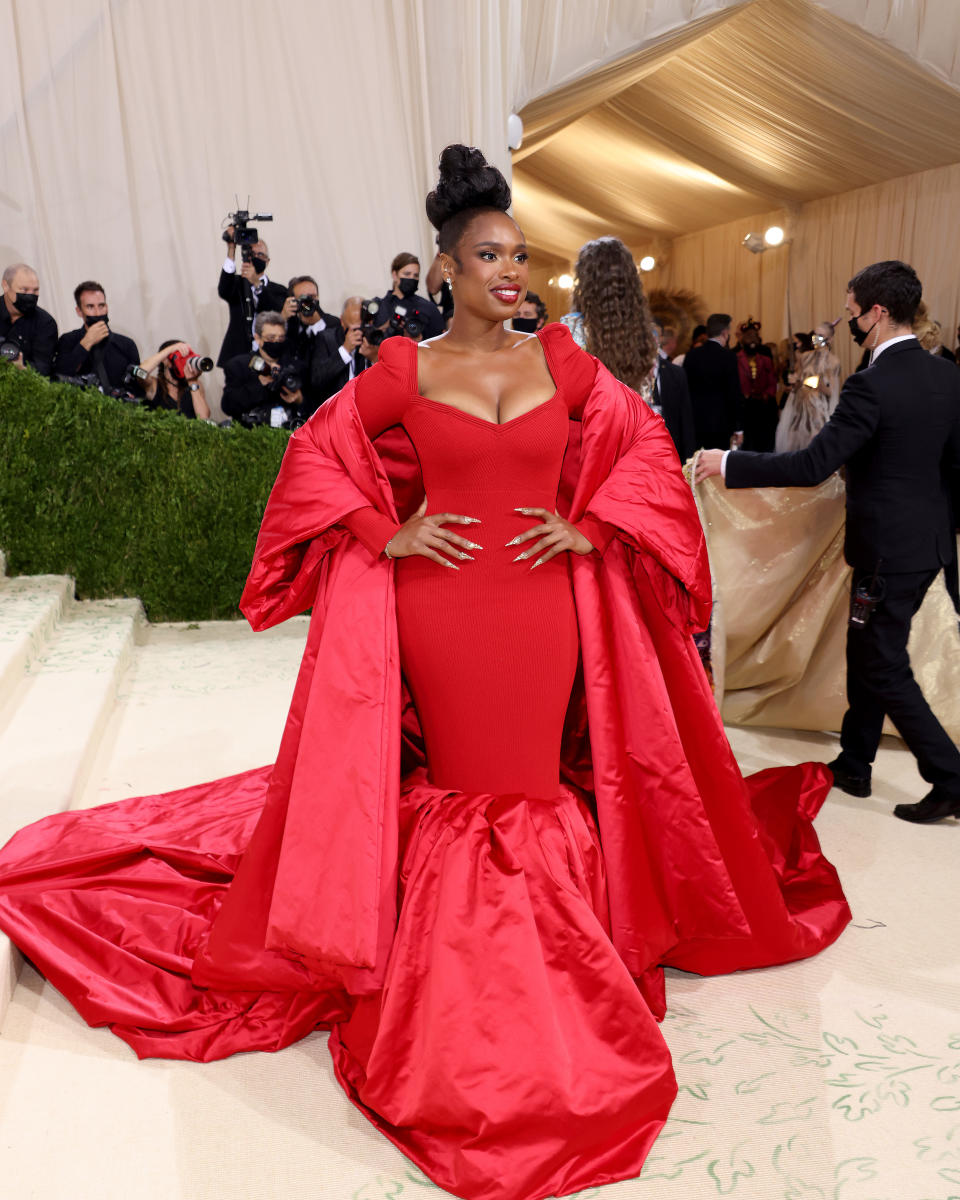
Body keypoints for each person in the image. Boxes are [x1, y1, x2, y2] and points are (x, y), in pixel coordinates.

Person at [0, 145, 850, 1200]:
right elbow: (314, 453)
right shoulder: (405, 369)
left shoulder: (563, 364)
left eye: (521, 255)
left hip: (542, 612)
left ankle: (543, 979)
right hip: (439, 612)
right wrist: (379, 529)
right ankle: (468, 1000)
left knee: (534, 792)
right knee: (466, 793)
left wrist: (590, 526)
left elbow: (641, 443)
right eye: (490, 255)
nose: (512, 273)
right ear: (445, 268)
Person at [697, 259, 960, 825]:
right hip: (928, 545)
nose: (849, 324)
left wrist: (729, 463)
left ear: (878, 313)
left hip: (887, 550)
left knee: (882, 663)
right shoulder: (947, 376)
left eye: (852, 315)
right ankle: (856, 763)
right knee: (867, 652)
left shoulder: (873, 383)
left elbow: (814, 463)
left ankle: (951, 776)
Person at [216, 226, 288, 367]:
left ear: (267, 261)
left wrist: (256, 283)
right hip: (238, 352)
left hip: (270, 354)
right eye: (252, 254)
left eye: (260, 255)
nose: (255, 258)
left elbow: (276, 312)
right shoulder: (237, 284)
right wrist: (231, 250)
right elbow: (224, 290)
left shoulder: (279, 290)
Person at [221, 311, 304, 427]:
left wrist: (299, 399)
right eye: (271, 338)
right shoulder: (239, 365)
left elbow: (313, 404)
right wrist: (260, 383)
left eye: (280, 338)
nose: (276, 342)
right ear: (258, 338)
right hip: (252, 434)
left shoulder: (294, 366)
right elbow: (228, 406)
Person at [52, 281, 139, 389]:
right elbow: (60, 377)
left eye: (101, 306)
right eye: (90, 307)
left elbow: (137, 384)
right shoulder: (68, 340)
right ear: (79, 311)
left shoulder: (126, 344)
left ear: (107, 307)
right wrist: (86, 343)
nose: (98, 313)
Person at [302, 295, 376, 416]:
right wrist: (345, 350)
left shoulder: (374, 338)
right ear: (342, 321)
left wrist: (373, 357)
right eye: (354, 328)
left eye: (363, 327)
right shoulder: (326, 339)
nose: (359, 333)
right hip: (334, 413)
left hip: (366, 413)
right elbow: (317, 380)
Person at [775, 321, 841, 452]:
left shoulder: (833, 362)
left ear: (830, 339)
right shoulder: (805, 356)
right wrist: (794, 381)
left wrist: (817, 383)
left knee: (814, 449)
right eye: (815, 334)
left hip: (818, 411)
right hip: (799, 408)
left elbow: (831, 392)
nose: (816, 338)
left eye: (821, 335)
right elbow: (797, 384)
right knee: (794, 447)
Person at [682, 312, 743, 449]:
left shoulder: (692, 355)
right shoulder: (729, 357)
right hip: (721, 424)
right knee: (716, 466)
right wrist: (738, 427)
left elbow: (685, 389)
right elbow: (734, 394)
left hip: (695, 422)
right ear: (725, 332)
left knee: (695, 464)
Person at [0, 262, 58, 376]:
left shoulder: (46, 323)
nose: (31, 295)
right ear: (5, 286)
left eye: (35, 290)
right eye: (24, 290)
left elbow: (43, 369)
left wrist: (22, 369)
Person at [652, 320, 696, 461]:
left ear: (660, 339)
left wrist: (689, 460)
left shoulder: (676, 373)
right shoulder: (628, 373)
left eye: (656, 335)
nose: (651, 339)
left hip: (670, 452)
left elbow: (685, 418)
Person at [375, 251, 445, 340]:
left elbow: (440, 340)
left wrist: (420, 342)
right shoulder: (380, 307)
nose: (411, 278)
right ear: (395, 275)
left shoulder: (428, 308)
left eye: (416, 275)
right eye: (407, 274)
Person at [137, 339, 211, 420]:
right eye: (180, 357)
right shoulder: (154, 385)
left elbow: (204, 418)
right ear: (165, 361)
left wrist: (192, 381)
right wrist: (171, 349)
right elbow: (139, 372)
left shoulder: (195, 385)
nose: (184, 361)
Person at [736, 318, 779, 451]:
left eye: (754, 336)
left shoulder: (765, 359)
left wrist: (767, 395)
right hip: (744, 407)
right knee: (747, 442)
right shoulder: (736, 357)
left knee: (763, 440)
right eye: (748, 337)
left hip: (762, 406)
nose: (751, 340)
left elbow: (772, 380)